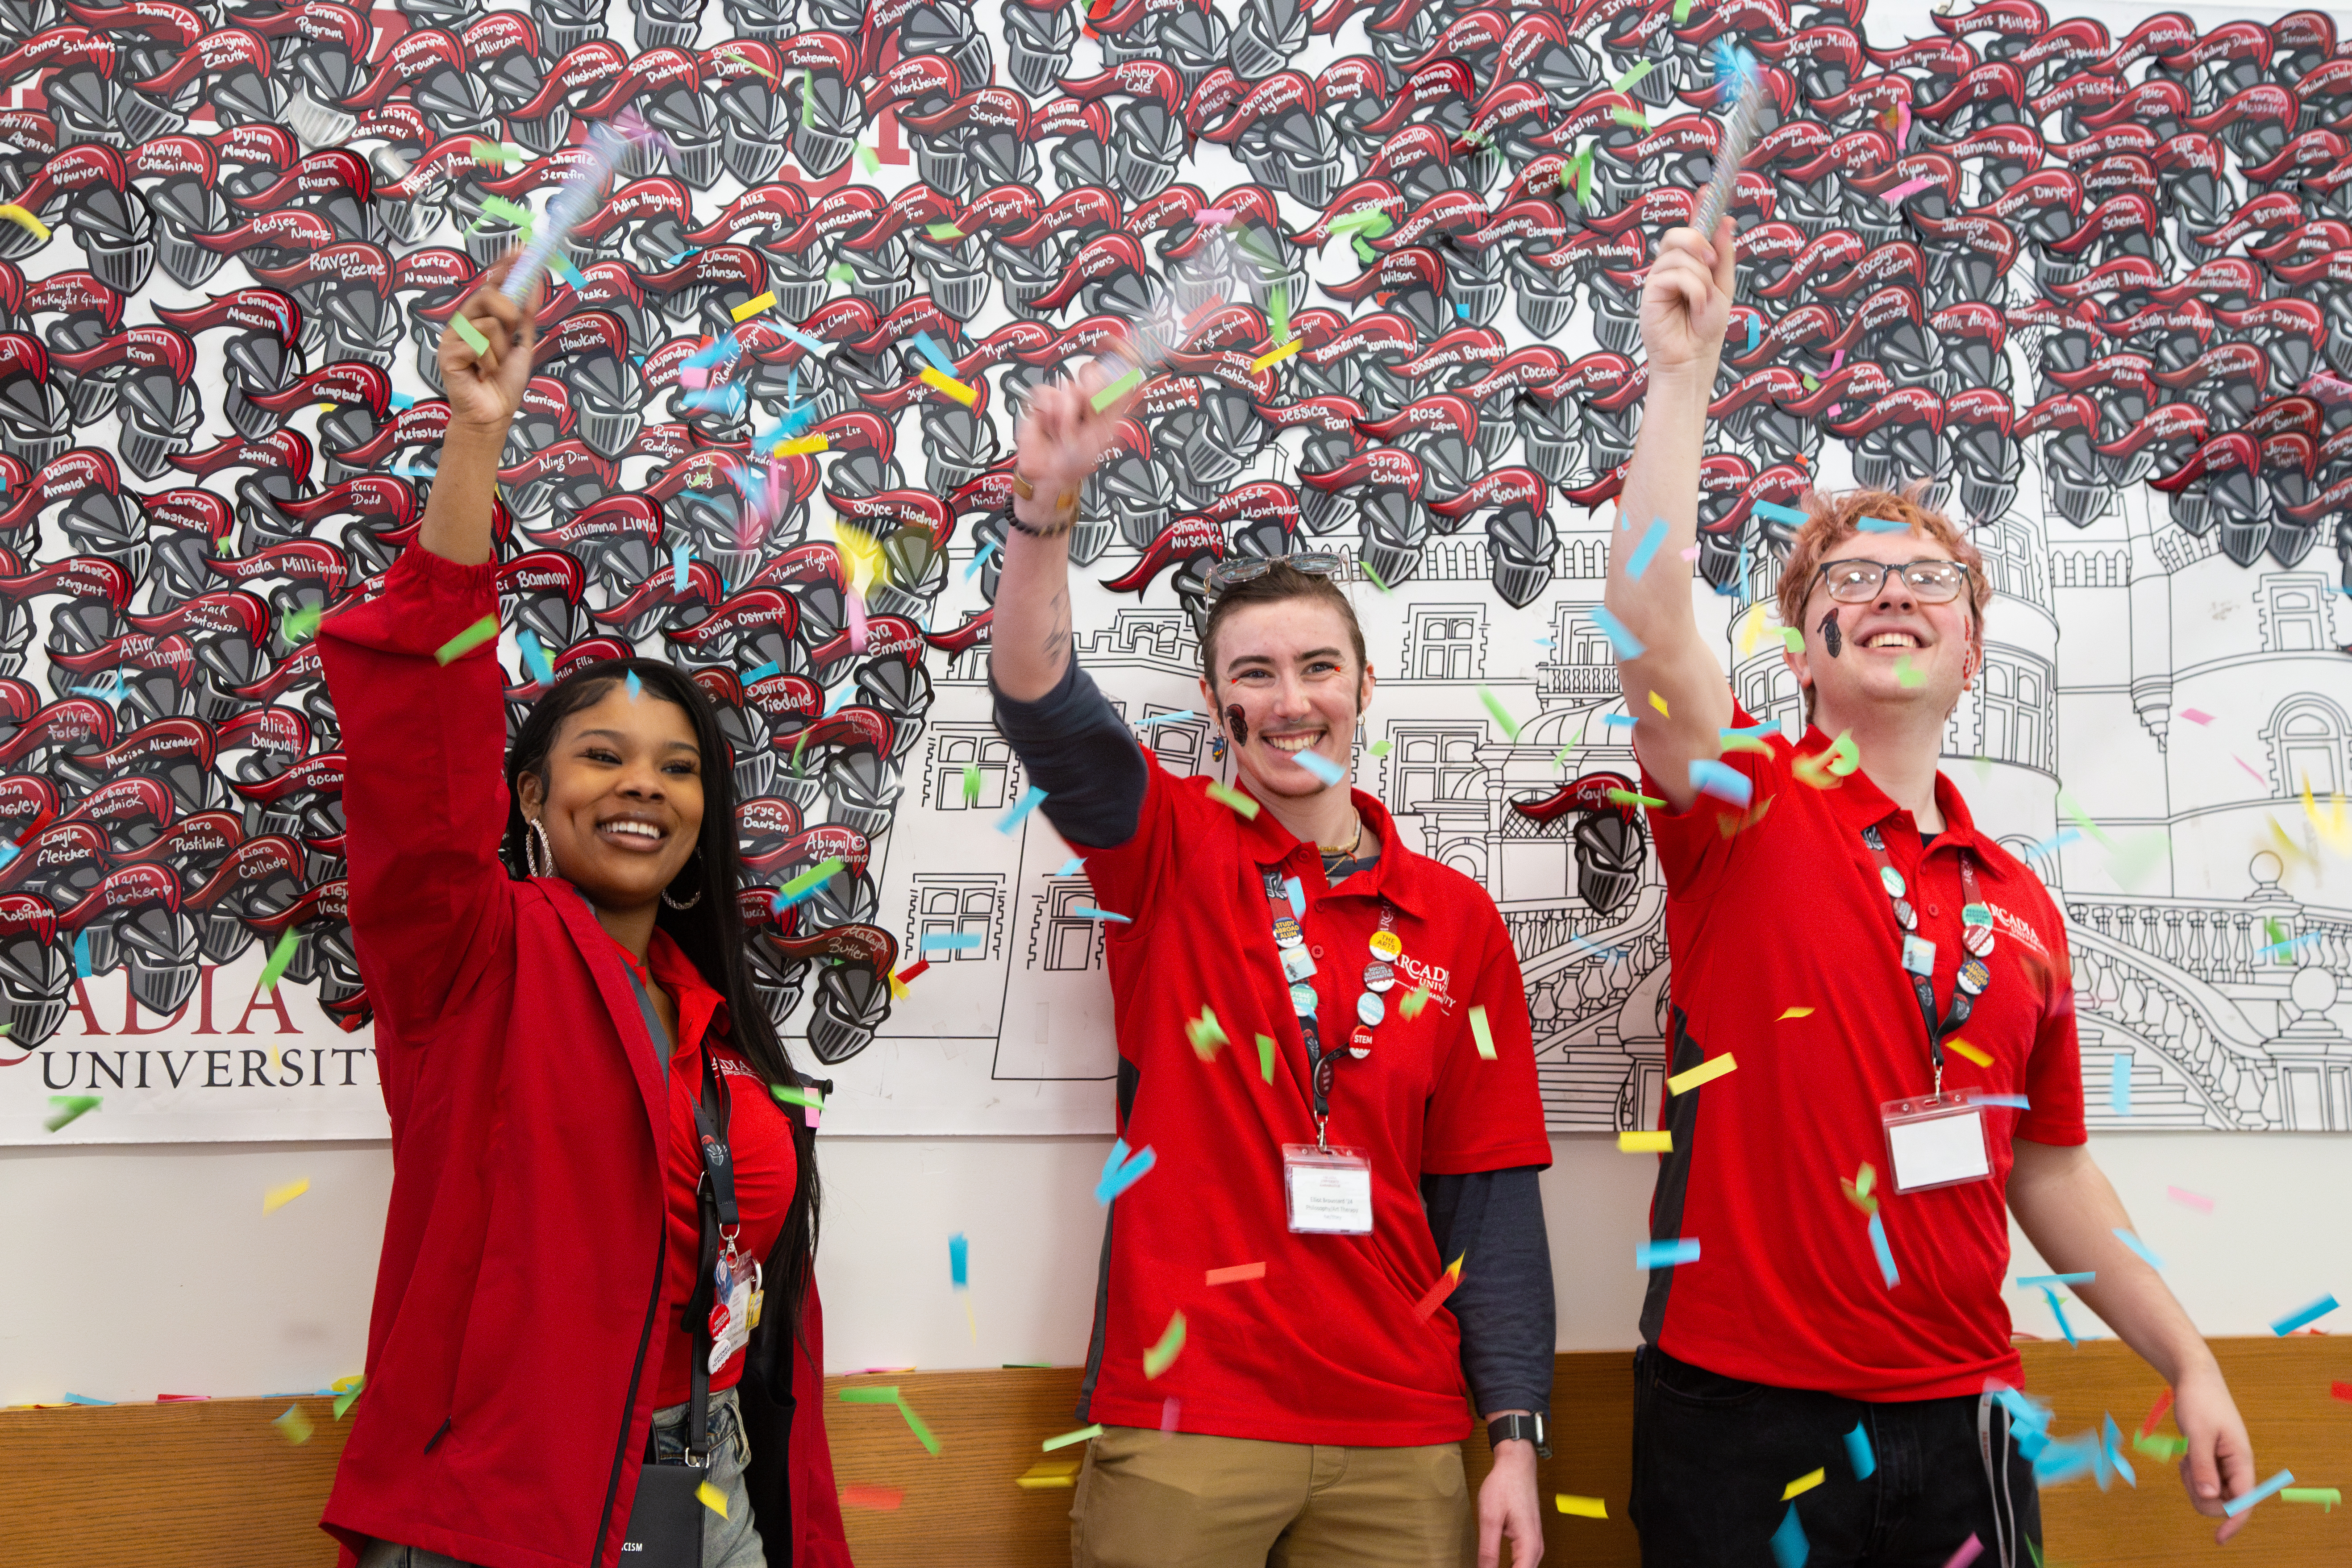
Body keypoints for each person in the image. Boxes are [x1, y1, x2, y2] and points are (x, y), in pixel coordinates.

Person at [1602, 218, 2257, 1565]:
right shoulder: (1745, 802)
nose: (1893, 592)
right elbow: (1656, 630)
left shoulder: (2021, 904)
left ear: (1969, 649)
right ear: (1803, 647)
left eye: (1931, 582)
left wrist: (2188, 1357)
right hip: (1744, 1425)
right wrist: (1683, 375)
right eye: (1852, 576)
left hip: (1969, 1413)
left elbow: (2052, 1167)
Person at [316, 257, 850, 1568]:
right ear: (533, 795)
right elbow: (418, 756)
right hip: (504, 1516)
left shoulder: (722, 1025)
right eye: (604, 756)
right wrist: (476, 439)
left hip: (714, 1496)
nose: (644, 787)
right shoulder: (470, 955)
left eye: (678, 768)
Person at [989, 355, 1557, 1568]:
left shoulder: (1456, 919)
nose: (1290, 701)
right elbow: (1042, 703)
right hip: (1187, 1420)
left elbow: (1489, 1192)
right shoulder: (1166, 851)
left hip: (1402, 1430)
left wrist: (1514, 1433)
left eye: (1316, 669)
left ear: (1363, 691)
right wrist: (1044, 511)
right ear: (1215, 703)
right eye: (1255, 673)